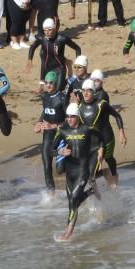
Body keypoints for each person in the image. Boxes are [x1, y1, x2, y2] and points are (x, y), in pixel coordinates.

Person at [53, 102, 104, 241]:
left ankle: (68, 233)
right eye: (67, 116)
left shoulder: (87, 129)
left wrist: (101, 150)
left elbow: (101, 138)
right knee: (72, 202)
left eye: (72, 116)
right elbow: (51, 149)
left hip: (83, 170)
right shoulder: (63, 130)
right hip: (70, 172)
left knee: (73, 200)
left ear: (78, 117)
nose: (69, 119)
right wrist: (60, 151)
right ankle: (90, 192)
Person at [77, 79, 125, 186]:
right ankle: (100, 181)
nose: (85, 93)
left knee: (109, 158)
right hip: (92, 143)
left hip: (106, 139)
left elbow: (116, 115)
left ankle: (113, 175)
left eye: (88, 91)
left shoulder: (101, 104)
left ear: (93, 92)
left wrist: (121, 132)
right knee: (89, 171)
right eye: (83, 90)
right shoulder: (79, 107)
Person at [33, 71, 69, 192]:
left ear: (56, 83)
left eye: (51, 83)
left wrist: (54, 125)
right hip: (48, 133)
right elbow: (45, 111)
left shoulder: (62, 98)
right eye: (46, 83)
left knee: (60, 169)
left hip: (61, 133)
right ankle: (51, 197)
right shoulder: (44, 96)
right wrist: (39, 122)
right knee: (47, 165)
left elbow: (69, 121)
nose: (48, 85)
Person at [28, 18, 81, 90]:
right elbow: (32, 47)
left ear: (54, 29)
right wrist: (30, 60)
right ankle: (67, 62)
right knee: (51, 91)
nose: (47, 32)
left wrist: (78, 62)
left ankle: (68, 71)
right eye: (45, 30)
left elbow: (77, 48)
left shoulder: (62, 39)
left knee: (58, 91)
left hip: (60, 68)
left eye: (50, 29)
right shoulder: (42, 38)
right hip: (48, 68)